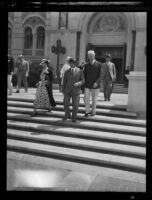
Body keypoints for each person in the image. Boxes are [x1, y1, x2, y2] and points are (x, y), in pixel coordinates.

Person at [62, 58, 85, 122]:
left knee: (75, 105)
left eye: (72, 63)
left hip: (76, 91)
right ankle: (67, 115)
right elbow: (64, 82)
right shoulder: (66, 72)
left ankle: (74, 117)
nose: (71, 64)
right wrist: (63, 90)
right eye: (70, 63)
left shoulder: (80, 71)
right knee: (66, 103)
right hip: (67, 90)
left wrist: (78, 83)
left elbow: (83, 80)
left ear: (75, 63)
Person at [83, 50, 102, 117]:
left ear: (94, 56)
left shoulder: (99, 64)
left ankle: (93, 112)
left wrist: (97, 82)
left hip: (95, 85)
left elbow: (100, 75)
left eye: (91, 55)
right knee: (86, 98)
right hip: (87, 85)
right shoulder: (86, 65)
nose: (90, 57)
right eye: (89, 56)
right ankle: (87, 111)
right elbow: (84, 75)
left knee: (94, 99)